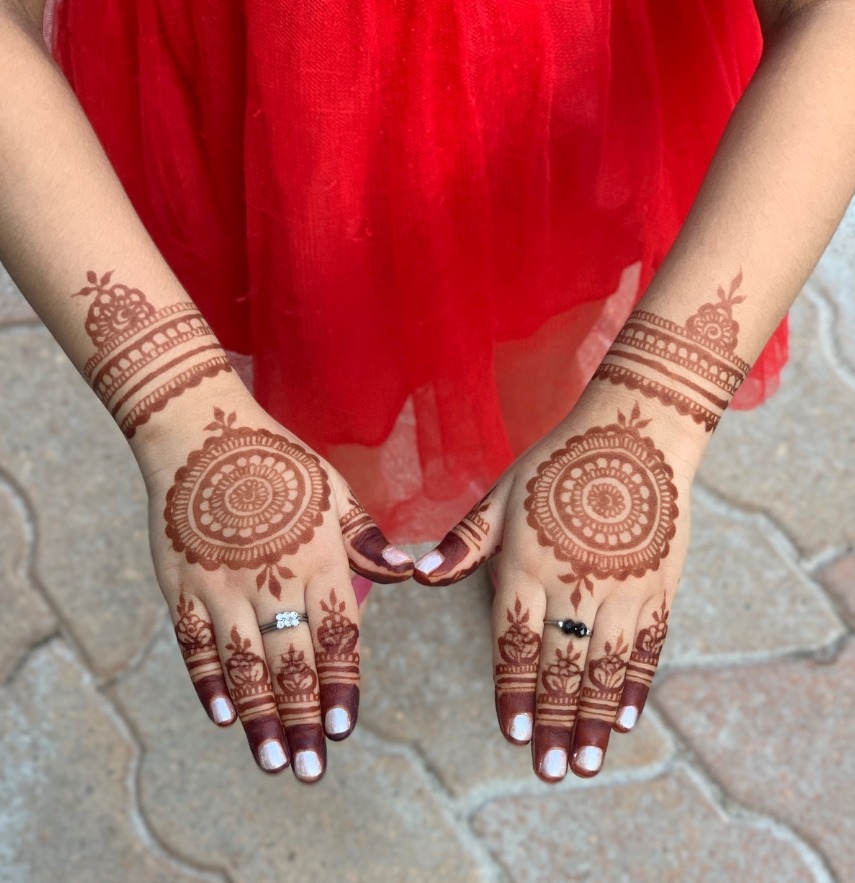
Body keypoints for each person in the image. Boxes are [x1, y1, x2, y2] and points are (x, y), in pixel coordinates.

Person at [0, 0, 852, 784]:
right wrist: (179, 407)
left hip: (558, 70)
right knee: (309, 293)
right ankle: (343, 507)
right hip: (258, 61)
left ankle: (505, 481)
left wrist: (652, 408)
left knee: (545, 288)